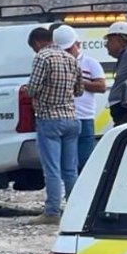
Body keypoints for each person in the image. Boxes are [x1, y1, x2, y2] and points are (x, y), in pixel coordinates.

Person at [23, 27, 83, 225]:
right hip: (72, 119)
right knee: (70, 170)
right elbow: (79, 90)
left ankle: (51, 212)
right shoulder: (71, 58)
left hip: (49, 119)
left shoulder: (43, 57)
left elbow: (32, 88)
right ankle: (76, 211)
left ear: (39, 43)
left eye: (34, 47)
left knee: (52, 169)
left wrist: (30, 90)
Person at [52, 25, 107, 171]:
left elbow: (101, 86)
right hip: (63, 119)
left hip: (84, 119)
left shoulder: (90, 63)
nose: (67, 53)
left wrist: (77, 81)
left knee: (84, 162)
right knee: (67, 164)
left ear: (78, 44)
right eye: (63, 50)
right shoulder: (54, 64)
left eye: (69, 49)